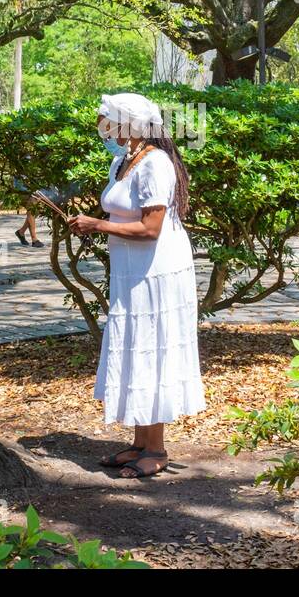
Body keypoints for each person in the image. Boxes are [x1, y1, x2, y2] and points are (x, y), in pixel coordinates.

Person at [68, 93, 204, 479]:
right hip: (131, 271)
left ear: (129, 124)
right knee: (135, 345)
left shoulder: (156, 164)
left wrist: (97, 225)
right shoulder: (123, 161)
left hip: (157, 272)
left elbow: (150, 228)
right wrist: (95, 223)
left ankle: (157, 448)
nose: (100, 126)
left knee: (152, 346)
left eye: (105, 119)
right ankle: (141, 443)